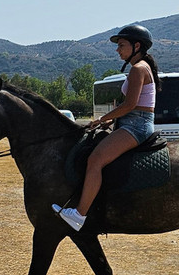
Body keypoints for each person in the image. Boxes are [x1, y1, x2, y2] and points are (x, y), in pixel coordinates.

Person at [54, 24, 158, 232]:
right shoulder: (140, 67)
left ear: (137, 46)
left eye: (121, 45)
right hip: (132, 121)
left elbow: (129, 105)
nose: (118, 50)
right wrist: (111, 121)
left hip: (136, 125)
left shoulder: (138, 69)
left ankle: (79, 214)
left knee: (95, 160)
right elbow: (131, 105)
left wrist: (102, 119)